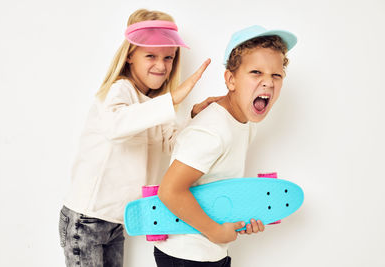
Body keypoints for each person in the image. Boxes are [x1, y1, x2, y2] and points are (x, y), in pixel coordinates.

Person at [58, 8, 220, 267]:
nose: (161, 65)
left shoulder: (157, 106)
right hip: (86, 219)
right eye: (151, 56)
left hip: (117, 221)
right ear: (131, 55)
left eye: (168, 57)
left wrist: (193, 115)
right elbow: (116, 126)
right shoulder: (119, 91)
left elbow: (173, 145)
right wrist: (173, 98)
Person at [154, 25, 297, 266]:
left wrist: (241, 218)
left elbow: (216, 186)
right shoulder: (212, 130)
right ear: (231, 80)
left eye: (276, 75)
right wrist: (215, 231)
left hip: (212, 251)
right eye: (256, 72)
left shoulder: (245, 121)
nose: (268, 83)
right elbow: (170, 190)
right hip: (187, 254)